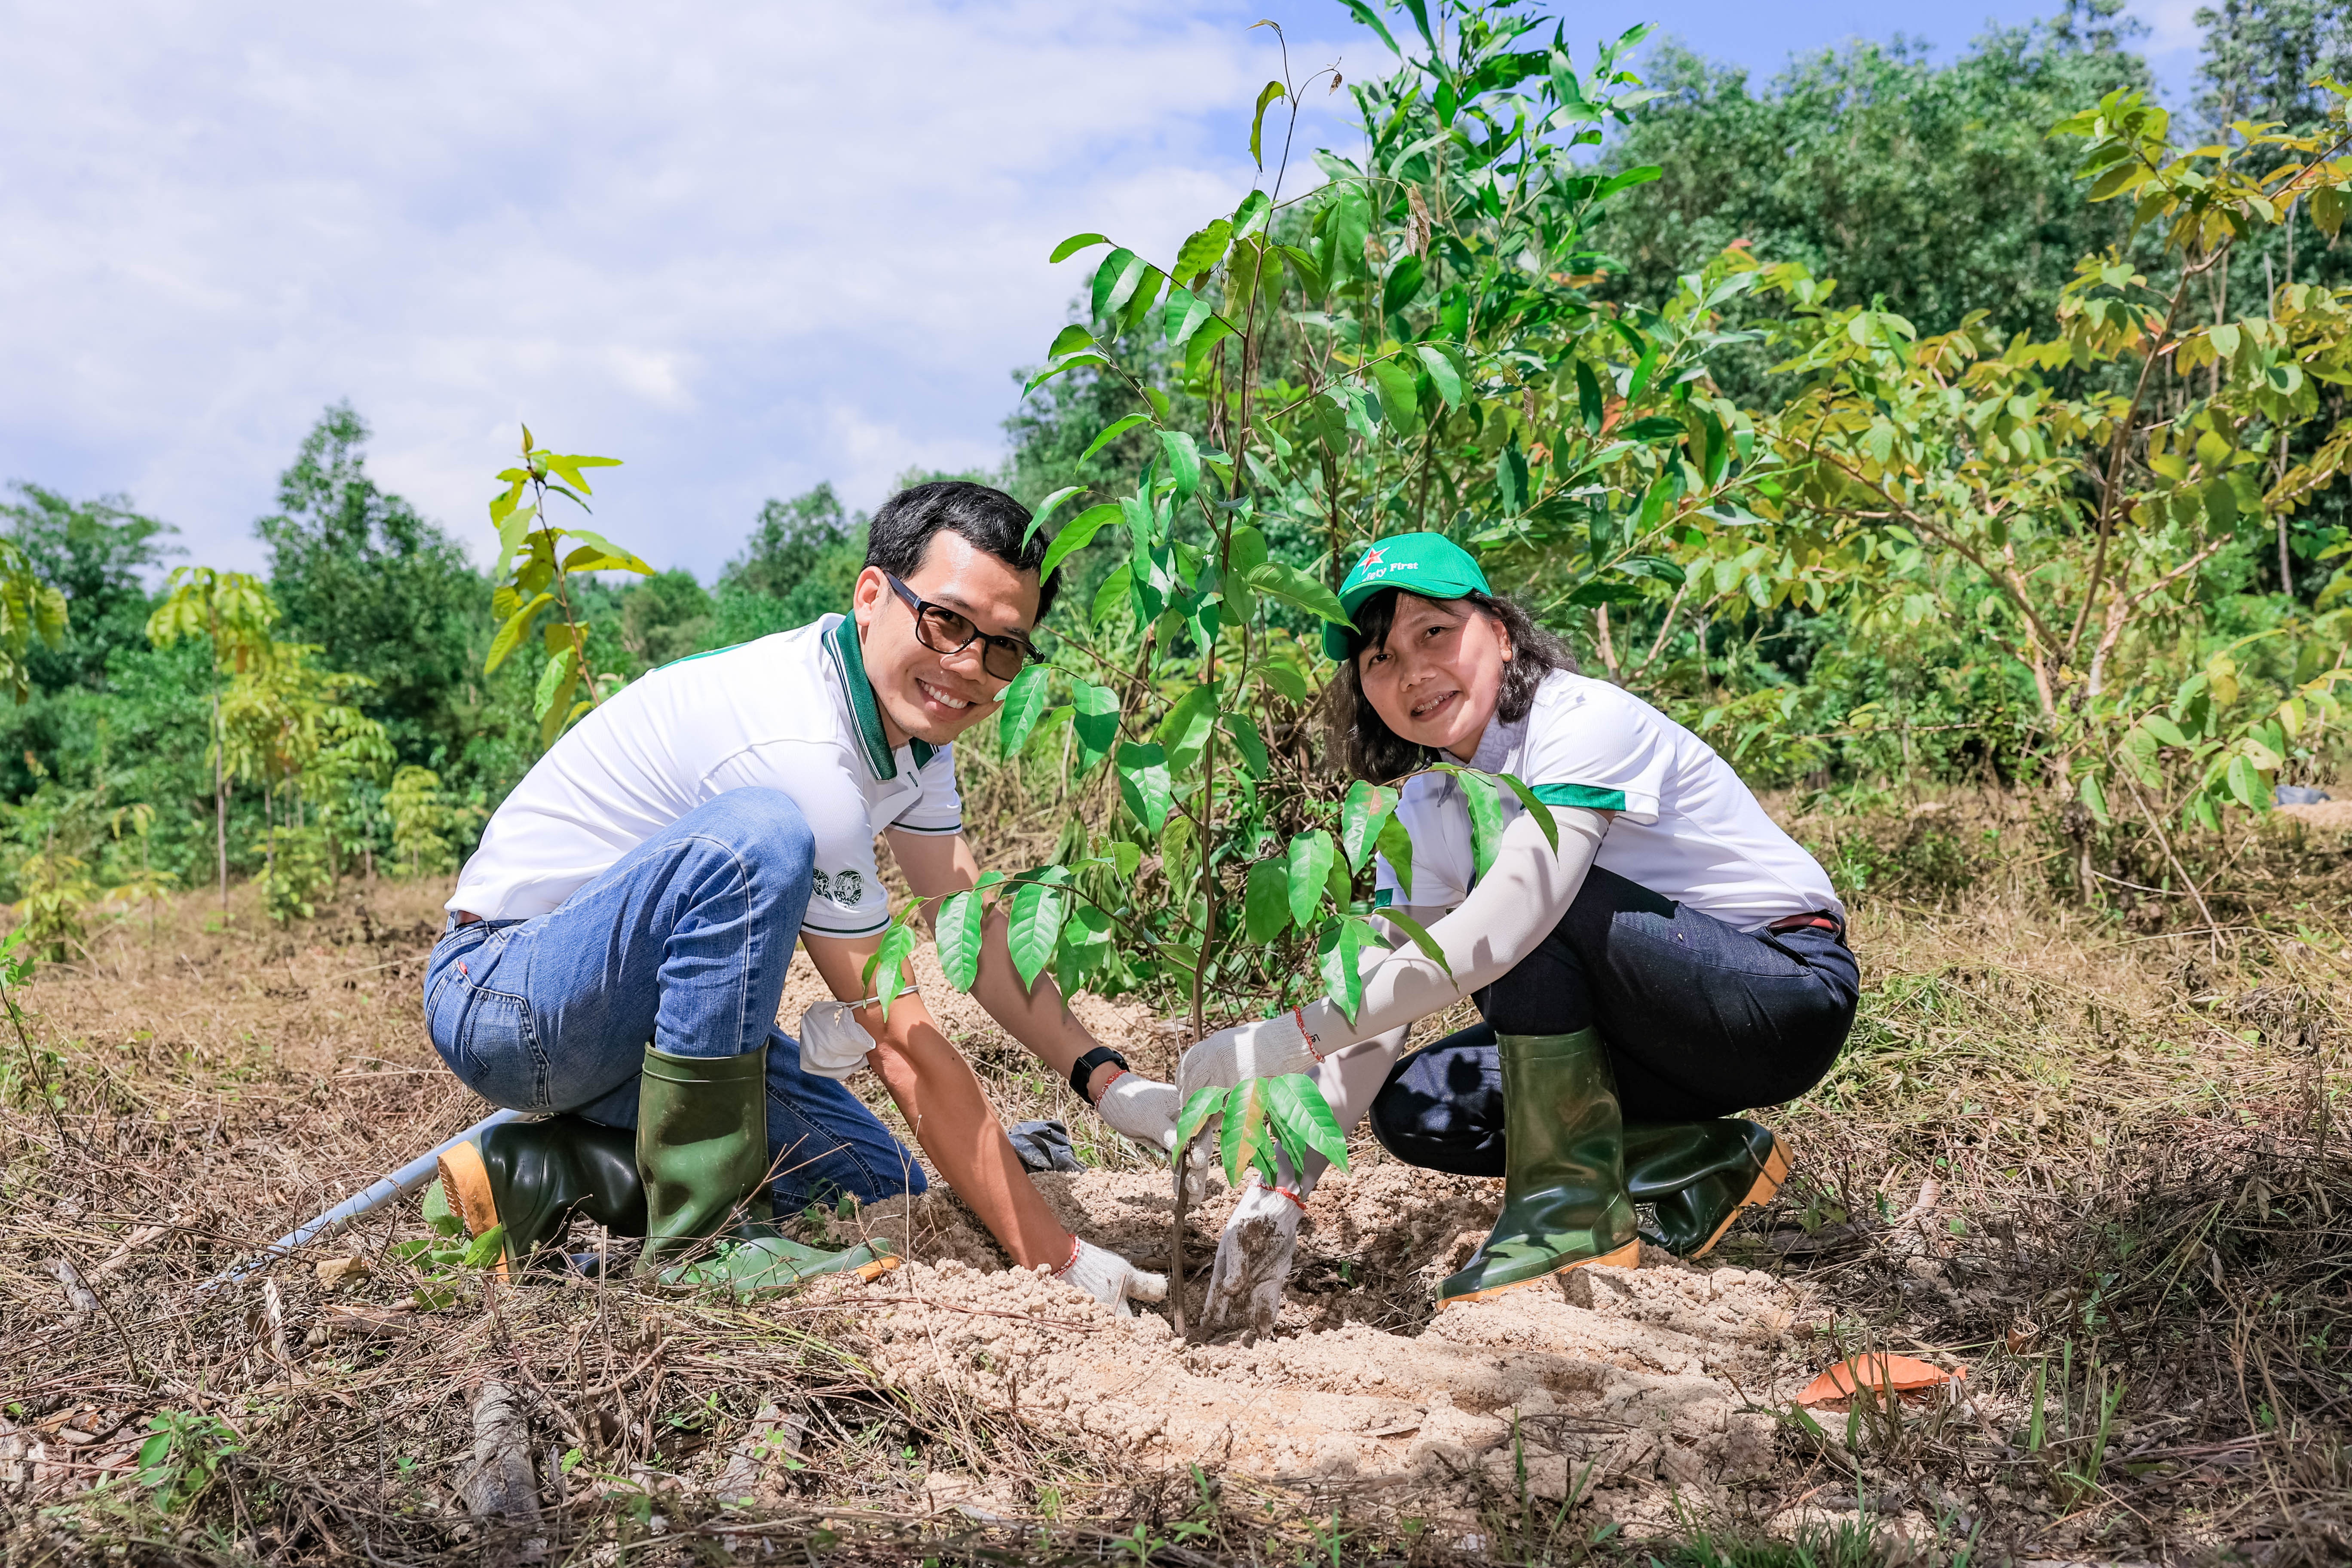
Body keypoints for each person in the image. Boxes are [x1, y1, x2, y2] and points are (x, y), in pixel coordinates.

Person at [422, 481, 1176, 1309]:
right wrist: (1058, 1259)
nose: (967, 665)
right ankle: (701, 1243)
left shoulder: (914, 732)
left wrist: (1108, 1081)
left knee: (873, 1183)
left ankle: (542, 1173)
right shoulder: (801, 744)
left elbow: (970, 927)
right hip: (509, 994)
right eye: (947, 621)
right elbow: (898, 1041)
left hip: (635, 1025)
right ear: (871, 595)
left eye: (1003, 647)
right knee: (763, 835)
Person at [1181, 533, 1858, 1327]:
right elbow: (1379, 999)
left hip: (1775, 995)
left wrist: (1285, 1039)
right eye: (1380, 658)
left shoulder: (1580, 719)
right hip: (1650, 1040)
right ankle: (1696, 1161)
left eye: (1435, 633)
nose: (1413, 672)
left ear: (1501, 633)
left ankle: (1567, 1214)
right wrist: (1280, 1193)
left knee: (1524, 904)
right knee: (1417, 1104)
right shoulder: (1425, 804)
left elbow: (1513, 920)